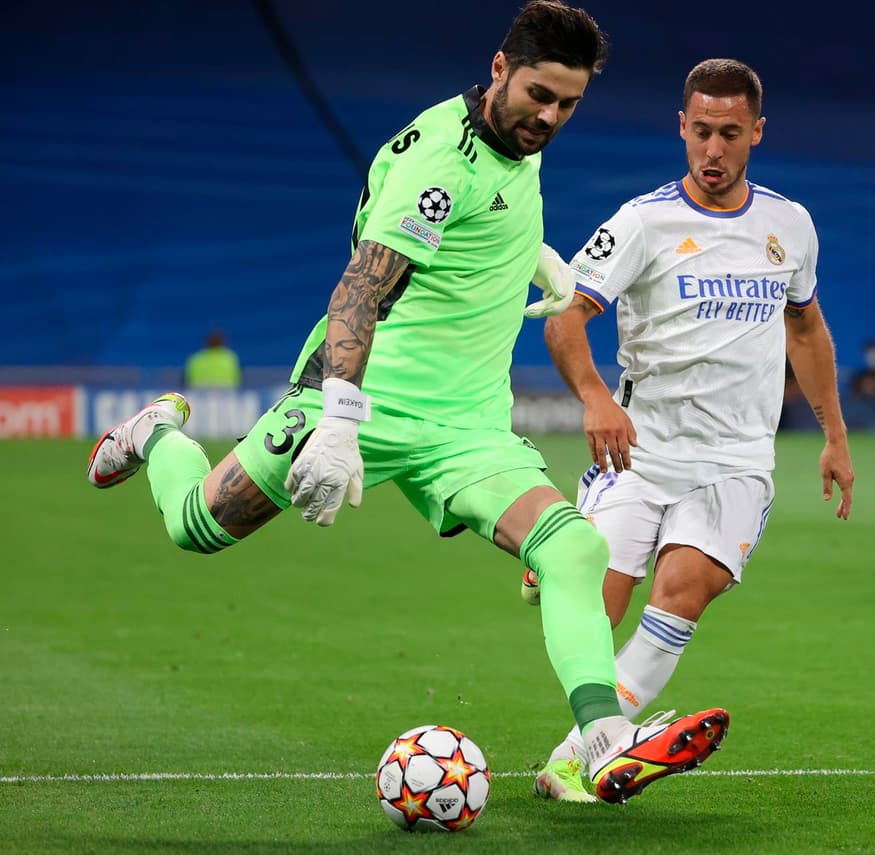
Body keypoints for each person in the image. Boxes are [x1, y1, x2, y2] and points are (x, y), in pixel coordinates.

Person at [84, 1, 727, 806]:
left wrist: (526, 257)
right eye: (539, 95)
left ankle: (602, 740)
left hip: (467, 426)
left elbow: (473, 216)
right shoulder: (440, 161)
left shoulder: (510, 142)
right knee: (196, 525)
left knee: (572, 549)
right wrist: (339, 421)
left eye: (568, 103)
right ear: (500, 68)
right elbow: (361, 287)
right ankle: (157, 433)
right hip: (364, 399)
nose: (550, 117)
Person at [524, 58, 854, 801]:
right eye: (701, 131)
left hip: (735, 459)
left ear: (756, 132)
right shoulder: (642, 222)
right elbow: (565, 318)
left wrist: (834, 435)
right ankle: (560, 572)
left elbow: (806, 328)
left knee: (683, 592)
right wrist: (595, 398)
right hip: (638, 451)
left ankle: (580, 757)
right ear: (681, 127)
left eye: (730, 134)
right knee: (595, 608)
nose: (713, 149)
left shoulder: (790, 225)